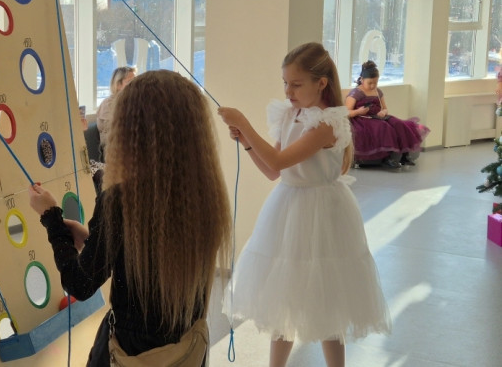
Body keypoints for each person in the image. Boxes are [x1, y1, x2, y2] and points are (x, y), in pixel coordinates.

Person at [28, 70, 231, 366]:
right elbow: (152, 258)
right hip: (186, 351)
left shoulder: (123, 201)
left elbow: (80, 284)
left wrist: (51, 218)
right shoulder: (205, 197)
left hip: (131, 354)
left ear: (131, 133)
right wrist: (95, 240)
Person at [218, 42, 391, 367]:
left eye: (296, 84)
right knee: (284, 296)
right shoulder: (290, 114)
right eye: (285, 83)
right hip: (288, 207)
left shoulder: (327, 123)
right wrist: (247, 142)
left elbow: (279, 160)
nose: (288, 91)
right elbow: (273, 171)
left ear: (321, 83)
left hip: (322, 212)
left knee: (327, 301)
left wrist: (245, 123)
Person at [345, 60, 430, 168]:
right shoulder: (356, 93)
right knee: (384, 127)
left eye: (375, 83)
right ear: (362, 80)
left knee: (399, 124)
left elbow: (385, 108)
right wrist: (358, 111)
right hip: (362, 119)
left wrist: (383, 112)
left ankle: (404, 155)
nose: (372, 86)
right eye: (370, 83)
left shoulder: (378, 92)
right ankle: (389, 158)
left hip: (378, 116)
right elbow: (347, 112)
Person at [96, 66, 136, 148]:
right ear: (118, 85)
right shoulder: (108, 104)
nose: (135, 85)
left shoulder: (131, 101)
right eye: (130, 82)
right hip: (114, 149)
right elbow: (116, 132)